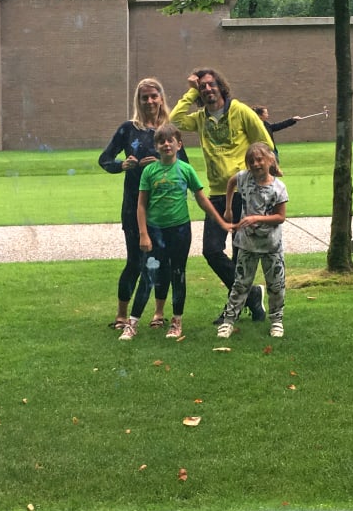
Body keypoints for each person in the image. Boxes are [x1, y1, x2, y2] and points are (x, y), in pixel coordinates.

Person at [170, 68, 272, 321]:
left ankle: (235, 308)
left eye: (211, 84)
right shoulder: (200, 118)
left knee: (240, 255)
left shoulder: (240, 111)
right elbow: (174, 121)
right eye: (202, 86)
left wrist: (259, 177)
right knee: (211, 250)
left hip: (244, 192)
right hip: (217, 193)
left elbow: (264, 144)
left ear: (221, 87)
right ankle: (251, 295)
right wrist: (191, 91)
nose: (207, 89)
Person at [119, 123, 232, 341]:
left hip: (179, 231)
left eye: (170, 141)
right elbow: (141, 205)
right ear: (156, 147)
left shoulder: (186, 169)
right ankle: (132, 323)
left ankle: (176, 321)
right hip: (155, 231)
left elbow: (201, 198)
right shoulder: (149, 171)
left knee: (177, 274)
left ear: (179, 145)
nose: (166, 144)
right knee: (148, 275)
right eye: (161, 141)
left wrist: (220, 221)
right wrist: (143, 233)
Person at [98, 78, 186, 331]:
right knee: (135, 262)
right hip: (134, 205)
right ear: (138, 100)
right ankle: (121, 315)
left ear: (161, 98)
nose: (149, 101)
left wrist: (160, 161)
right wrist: (122, 165)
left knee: (163, 262)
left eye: (153, 96)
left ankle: (158, 313)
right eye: (144, 97)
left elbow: (183, 165)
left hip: (164, 208)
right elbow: (105, 159)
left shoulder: (168, 131)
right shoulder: (128, 129)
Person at [216, 143, 288, 341]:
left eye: (259, 160)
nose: (255, 164)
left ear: (270, 160)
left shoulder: (278, 188)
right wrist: (228, 208)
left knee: (276, 285)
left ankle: (276, 321)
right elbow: (231, 183)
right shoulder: (244, 178)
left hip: (271, 245)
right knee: (240, 284)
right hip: (246, 244)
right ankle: (229, 321)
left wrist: (257, 218)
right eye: (251, 161)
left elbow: (280, 217)